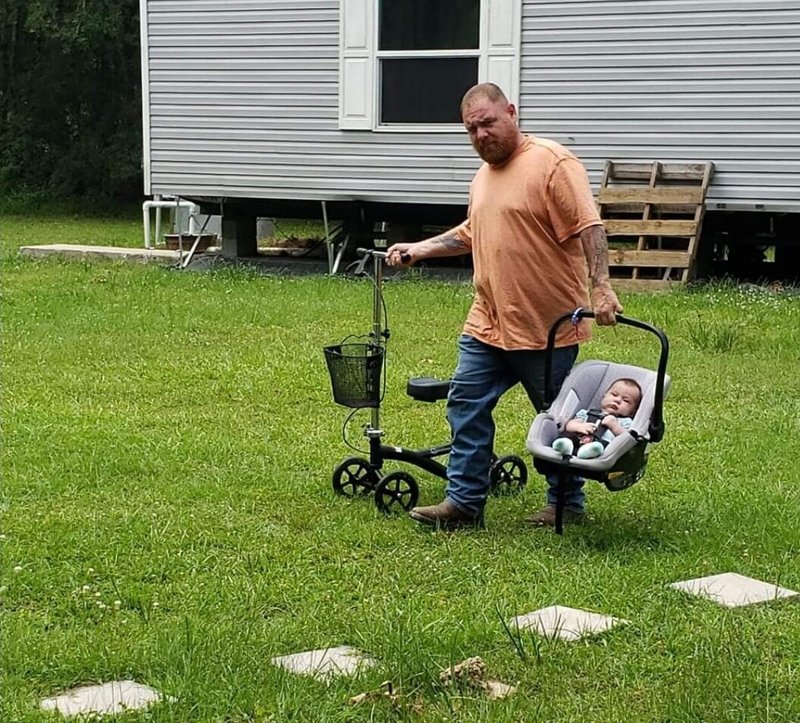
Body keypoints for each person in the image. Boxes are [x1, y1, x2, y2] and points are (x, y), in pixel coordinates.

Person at [386, 82, 622, 529]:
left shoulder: (552, 163)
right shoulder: (483, 176)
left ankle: (566, 503)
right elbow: (471, 233)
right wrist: (419, 248)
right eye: (471, 129)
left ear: (511, 112)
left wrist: (602, 288)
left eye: (488, 123)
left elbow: (589, 227)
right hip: (488, 323)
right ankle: (464, 503)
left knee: (558, 418)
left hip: (546, 323)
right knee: (465, 404)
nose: (480, 136)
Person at [552, 378, 642, 459]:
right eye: (614, 395)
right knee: (568, 436)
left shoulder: (625, 422)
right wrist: (580, 427)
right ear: (604, 395)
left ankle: (590, 451)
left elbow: (627, 440)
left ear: (632, 412)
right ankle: (565, 446)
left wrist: (614, 427)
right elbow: (569, 425)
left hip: (602, 448)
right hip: (578, 439)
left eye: (626, 400)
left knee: (602, 446)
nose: (617, 400)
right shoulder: (586, 413)